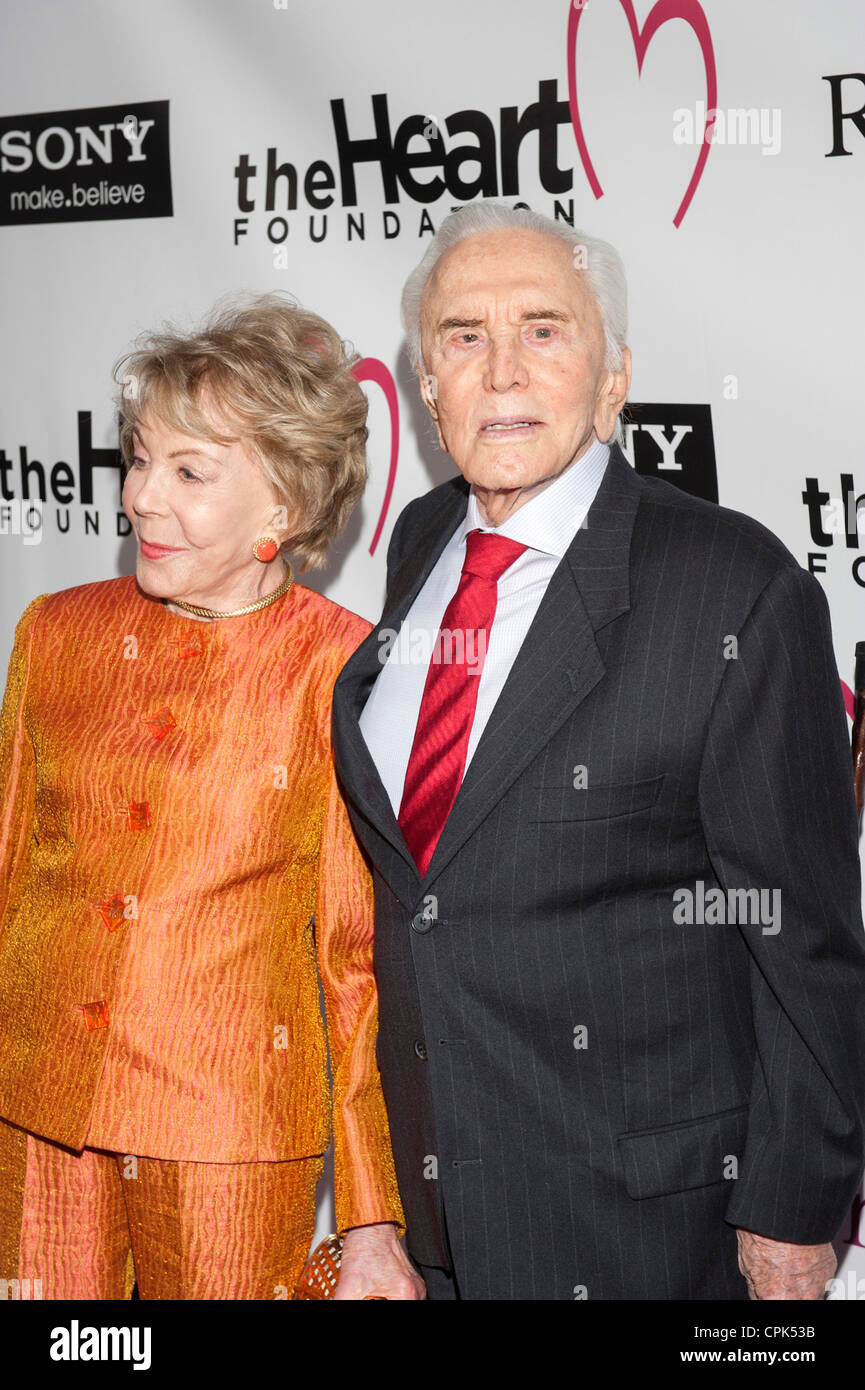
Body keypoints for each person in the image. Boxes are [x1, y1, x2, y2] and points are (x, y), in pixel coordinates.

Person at [331, 202, 865, 1300]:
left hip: (643, 1229)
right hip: (437, 1218)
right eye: (463, 336)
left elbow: (802, 935)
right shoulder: (421, 542)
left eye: (543, 327)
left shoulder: (733, 586)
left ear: (613, 376)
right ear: (426, 388)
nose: (501, 371)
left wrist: (792, 1210)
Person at [0, 292, 422, 1301]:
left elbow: (356, 963)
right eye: (140, 459)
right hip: (36, 1110)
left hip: (228, 1131)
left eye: (190, 472)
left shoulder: (342, 669)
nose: (143, 498)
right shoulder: (54, 629)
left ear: (283, 504)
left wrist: (370, 1217)